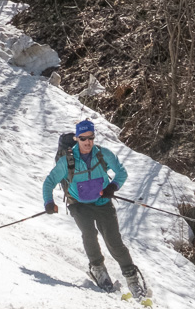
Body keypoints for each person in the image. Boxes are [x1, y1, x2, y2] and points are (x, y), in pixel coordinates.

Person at [42, 120, 147, 297]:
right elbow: (49, 182)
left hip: (102, 202)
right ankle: (98, 269)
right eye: (83, 138)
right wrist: (48, 202)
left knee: (114, 241)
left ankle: (132, 278)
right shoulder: (67, 161)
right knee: (89, 234)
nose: (87, 142)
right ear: (77, 139)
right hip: (78, 204)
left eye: (90, 137)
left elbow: (122, 172)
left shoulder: (103, 155)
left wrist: (112, 187)